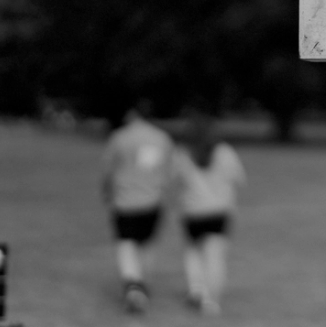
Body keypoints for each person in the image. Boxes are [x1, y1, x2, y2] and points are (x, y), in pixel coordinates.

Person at [172, 111, 246, 316]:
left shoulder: (183, 152)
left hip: (192, 212)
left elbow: (175, 179)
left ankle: (196, 289)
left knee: (193, 252)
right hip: (219, 211)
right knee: (215, 256)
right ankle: (211, 301)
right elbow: (239, 179)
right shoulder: (225, 152)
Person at [100, 106, 173, 313]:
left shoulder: (120, 137)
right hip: (152, 200)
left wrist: (106, 191)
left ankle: (133, 285)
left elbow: (108, 168)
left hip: (124, 200)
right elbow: (168, 171)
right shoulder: (162, 138)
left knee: (126, 244)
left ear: (133, 115)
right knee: (147, 244)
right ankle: (143, 283)